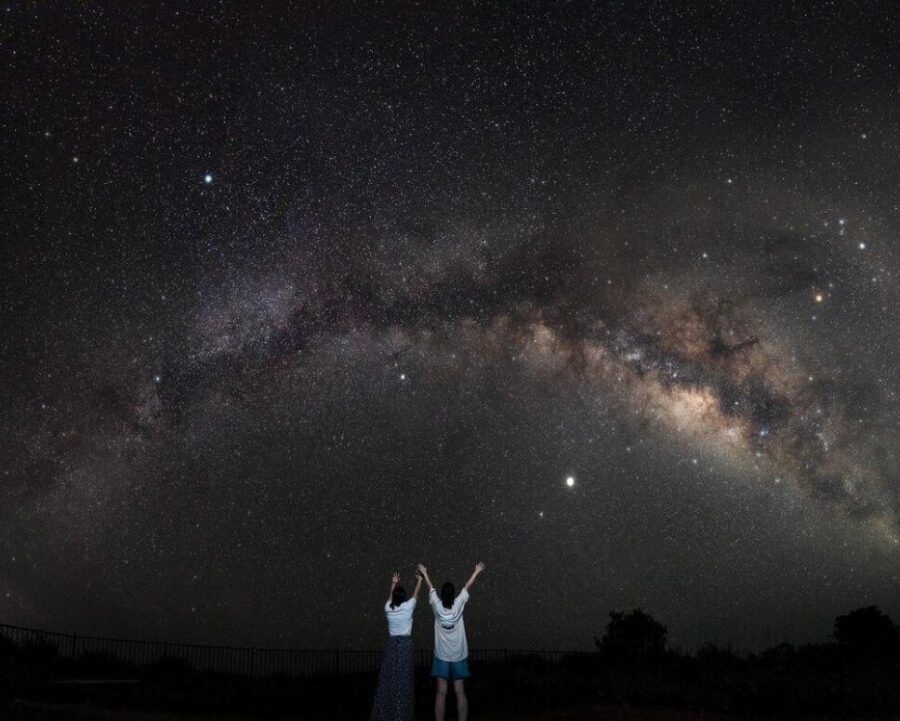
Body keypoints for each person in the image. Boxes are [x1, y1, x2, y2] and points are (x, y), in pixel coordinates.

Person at [417, 562, 485, 721]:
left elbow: (430, 587)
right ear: (453, 594)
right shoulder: (458, 605)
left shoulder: (437, 605)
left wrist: (425, 573)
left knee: (441, 692)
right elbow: (467, 587)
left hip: (441, 655)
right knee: (460, 692)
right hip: (459, 656)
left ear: (442, 594)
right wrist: (476, 572)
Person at [370, 569, 423, 721]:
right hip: (405, 645)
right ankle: (400, 715)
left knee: (389, 680)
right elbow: (416, 594)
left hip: (392, 645)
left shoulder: (387, 609)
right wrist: (419, 580)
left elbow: (389, 599)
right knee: (403, 682)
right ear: (404, 597)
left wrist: (393, 583)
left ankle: (387, 714)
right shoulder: (408, 607)